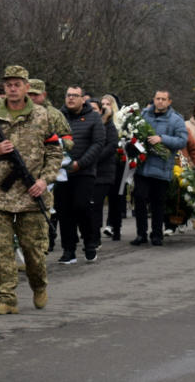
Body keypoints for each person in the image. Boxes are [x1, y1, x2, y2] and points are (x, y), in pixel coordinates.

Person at [0, 66, 62, 315]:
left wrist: (44, 180)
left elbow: (55, 152)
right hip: (0, 193)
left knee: (32, 251)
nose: (12, 88)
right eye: (8, 84)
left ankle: (39, 285)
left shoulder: (43, 116)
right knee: (1, 250)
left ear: (26, 87)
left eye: (17, 84)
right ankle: (6, 298)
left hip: (32, 194)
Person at [129, 89, 188, 247]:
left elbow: (182, 141)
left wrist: (162, 139)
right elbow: (132, 132)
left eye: (163, 99)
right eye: (157, 98)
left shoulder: (176, 120)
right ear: (153, 100)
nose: (160, 101)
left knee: (158, 201)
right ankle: (141, 234)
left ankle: (156, 234)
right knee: (140, 198)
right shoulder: (143, 115)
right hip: (143, 165)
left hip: (162, 167)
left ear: (170, 102)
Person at [55, 86, 105, 264]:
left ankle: (89, 243)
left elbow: (98, 143)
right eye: (68, 95)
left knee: (82, 206)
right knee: (64, 210)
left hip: (84, 172)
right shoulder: (58, 116)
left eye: (75, 96)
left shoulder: (94, 118)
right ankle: (69, 249)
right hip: (62, 172)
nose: (70, 99)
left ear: (83, 99)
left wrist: (80, 163)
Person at [28, 78, 73, 252]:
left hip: (48, 168)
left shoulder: (54, 114)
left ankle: (46, 242)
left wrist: (57, 143)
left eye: (36, 95)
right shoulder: (19, 111)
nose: (32, 98)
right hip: (25, 167)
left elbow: (68, 139)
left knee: (46, 206)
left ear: (44, 95)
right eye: (29, 94)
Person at [88, 97, 119, 249]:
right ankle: (88, 235)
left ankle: (95, 238)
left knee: (96, 205)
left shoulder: (109, 127)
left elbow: (112, 146)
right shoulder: (85, 124)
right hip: (87, 171)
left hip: (103, 172)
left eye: (95, 108)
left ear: (100, 111)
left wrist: (92, 158)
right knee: (86, 205)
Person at [100, 94, 127, 241]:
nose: (105, 106)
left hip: (117, 161)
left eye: (108, 104)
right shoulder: (98, 120)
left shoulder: (120, 120)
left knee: (116, 196)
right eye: (102, 103)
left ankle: (115, 225)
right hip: (101, 161)